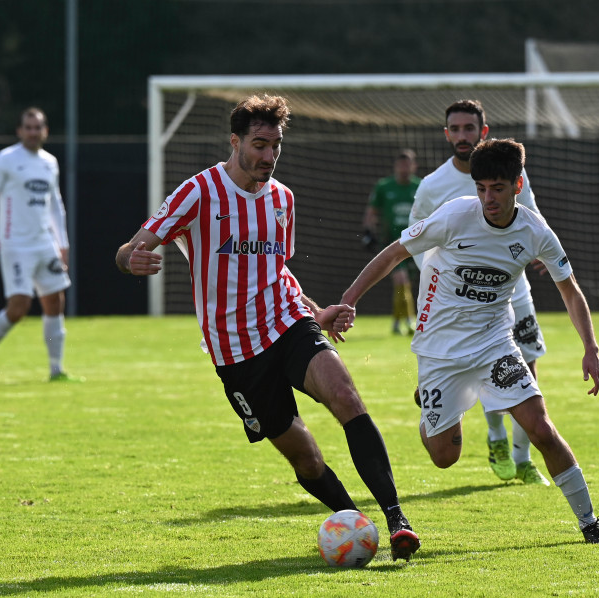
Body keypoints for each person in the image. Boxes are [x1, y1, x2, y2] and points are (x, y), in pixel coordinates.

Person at [114, 94, 421, 561]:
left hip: (286, 323)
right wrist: (129, 261)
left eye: (275, 145)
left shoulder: (283, 199)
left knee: (345, 396)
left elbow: (277, 271)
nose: (268, 156)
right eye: (259, 144)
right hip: (236, 352)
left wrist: (314, 313)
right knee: (306, 457)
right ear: (235, 141)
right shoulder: (199, 191)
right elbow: (131, 247)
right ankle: (352, 524)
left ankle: (398, 519)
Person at [340, 138, 599, 545]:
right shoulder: (454, 216)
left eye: (498, 189)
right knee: (444, 457)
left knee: (540, 428)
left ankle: (590, 523)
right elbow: (394, 252)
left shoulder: (535, 231)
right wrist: (349, 300)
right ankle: (431, 403)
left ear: (517, 185)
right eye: (481, 188)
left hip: (494, 345)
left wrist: (591, 349)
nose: (488, 198)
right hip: (438, 349)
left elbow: (570, 290)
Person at [410, 99, 548, 485]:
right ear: (446, 134)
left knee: (528, 375)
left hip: (515, 294)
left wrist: (542, 254)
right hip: (457, 308)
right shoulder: (433, 186)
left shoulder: (512, 173)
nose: (462, 136)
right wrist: (443, 283)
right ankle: (496, 440)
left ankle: (523, 460)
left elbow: (533, 217)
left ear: (482, 132)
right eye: (454, 129)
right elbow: (415, 237)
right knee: (482, 374)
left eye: (468, 128)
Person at [0, 107, 79, 382]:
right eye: (28, 127)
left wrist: (62, 243)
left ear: (45, 131)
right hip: (15, 244)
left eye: (38, 127)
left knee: (55, 301)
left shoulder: (49, 162)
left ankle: (56, 369)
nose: (33, 132)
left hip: (45, 243)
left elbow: (55, 205)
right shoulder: (5, 160)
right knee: (19, 307)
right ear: (19, 131)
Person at [362, 149, 421, 335]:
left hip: (416, 242)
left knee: (406, 285)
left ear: (414, 166)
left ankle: (396, 322)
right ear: (396, 166)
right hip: (391, 242)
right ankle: (411, 321)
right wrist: (368, 231)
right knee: (400, 279)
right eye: (401, 164)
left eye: (407, 164)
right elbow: (372, 211)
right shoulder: (384, 187)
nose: (404, 168)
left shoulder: (420, 187)